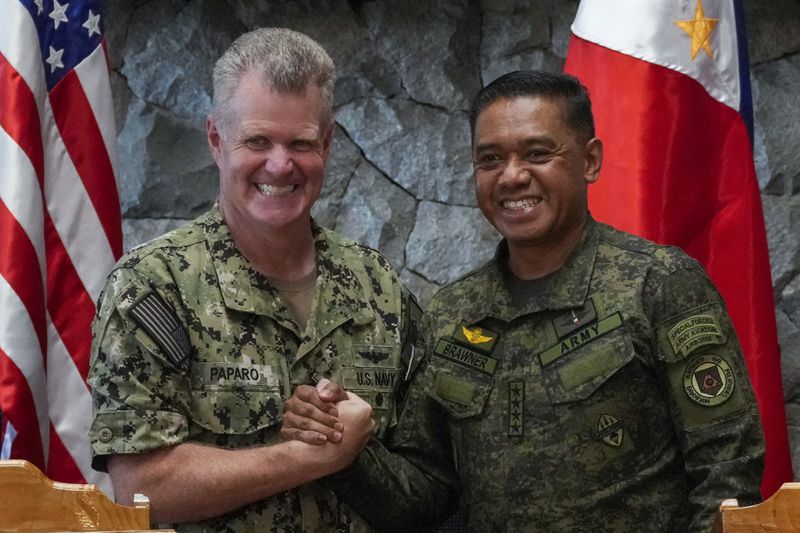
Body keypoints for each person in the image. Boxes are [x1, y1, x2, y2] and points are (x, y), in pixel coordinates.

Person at [283, 70, 765, 532]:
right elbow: (424, 497)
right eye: (490, 160)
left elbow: (727, 469)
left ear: (590, 160)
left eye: (537, 153)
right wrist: (345, 448)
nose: (511, 176)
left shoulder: (658, 284)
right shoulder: (453, 313)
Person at [88, 27, 423, 532]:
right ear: (216, 139)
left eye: (301, 143)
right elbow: (144, 489)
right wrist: (313, 456)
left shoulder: (376, 284)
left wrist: (359, 454)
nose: (280, 164)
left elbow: (423, 472)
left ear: (328, 145)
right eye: (258, 140)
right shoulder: (153, 287)